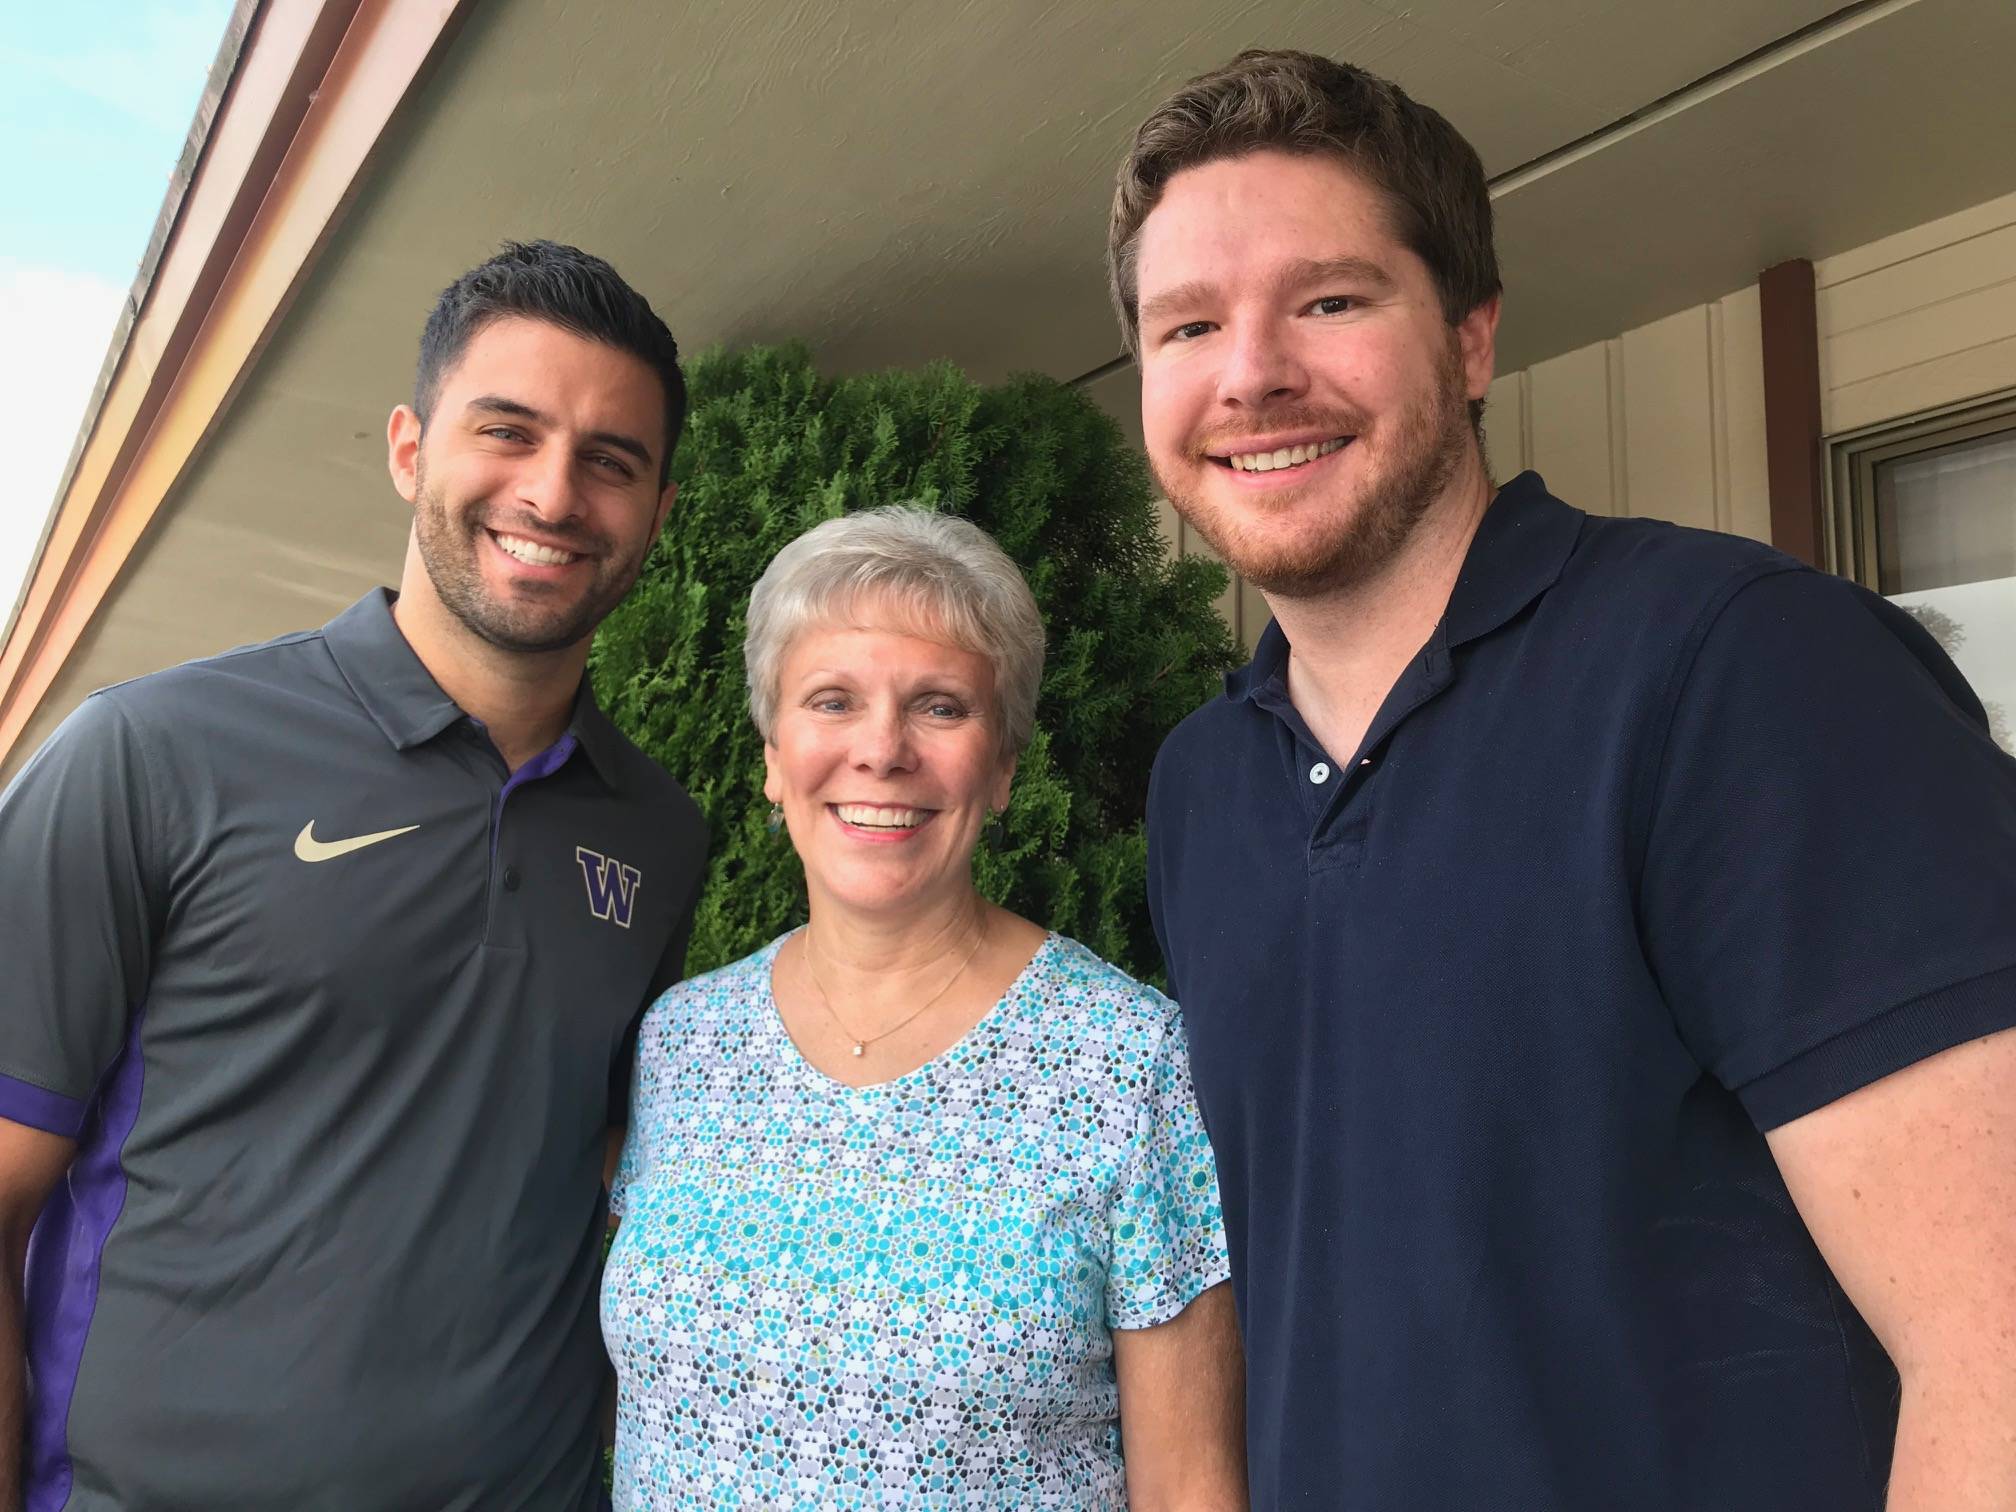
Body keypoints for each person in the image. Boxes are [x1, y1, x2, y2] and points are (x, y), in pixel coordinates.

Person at [1114, 48, 2016, 1512]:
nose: (1251, 371)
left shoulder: (1741, 676)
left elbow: (1996, 1349)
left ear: (1471, 341)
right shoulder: (1205, 783)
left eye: (1331, 300)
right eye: (1187, 325)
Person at [0, 240, 707, 1511]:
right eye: (507, 431)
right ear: (409, 449)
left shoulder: (660, 837)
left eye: (613, 460)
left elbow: (592, 1168)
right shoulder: (151, 755)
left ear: (657, 512)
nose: (553, 493)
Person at [600, 505, 1244, 1510]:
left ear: (1002, 769)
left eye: (941, 706)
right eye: (831, 700)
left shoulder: (1126, 1064)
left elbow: (1189, 1486)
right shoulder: (682, 1045)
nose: (883, 749)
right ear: (773, 755)